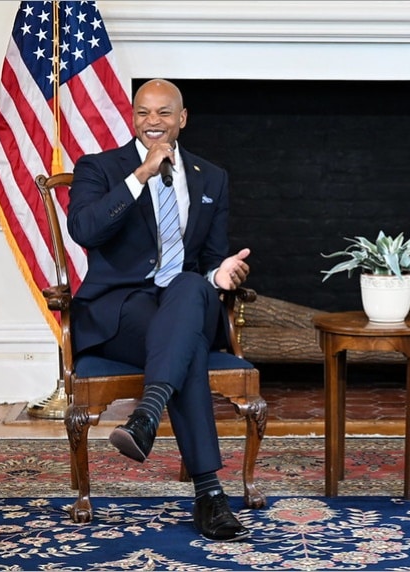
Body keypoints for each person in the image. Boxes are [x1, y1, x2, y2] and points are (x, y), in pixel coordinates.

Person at [67, 78, 252, 541]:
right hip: (119, 311)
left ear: (182, 118)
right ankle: (210, 495)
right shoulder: (100, 168)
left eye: (163, 113)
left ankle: (148, 413)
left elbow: (208, 261)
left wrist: (221, 274)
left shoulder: (212, 177)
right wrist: (141, 176)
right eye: (143, 112)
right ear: (133, 117)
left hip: (184, 301)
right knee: (183, 347)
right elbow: (85, 230)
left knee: (191, 286)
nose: (153, 121)